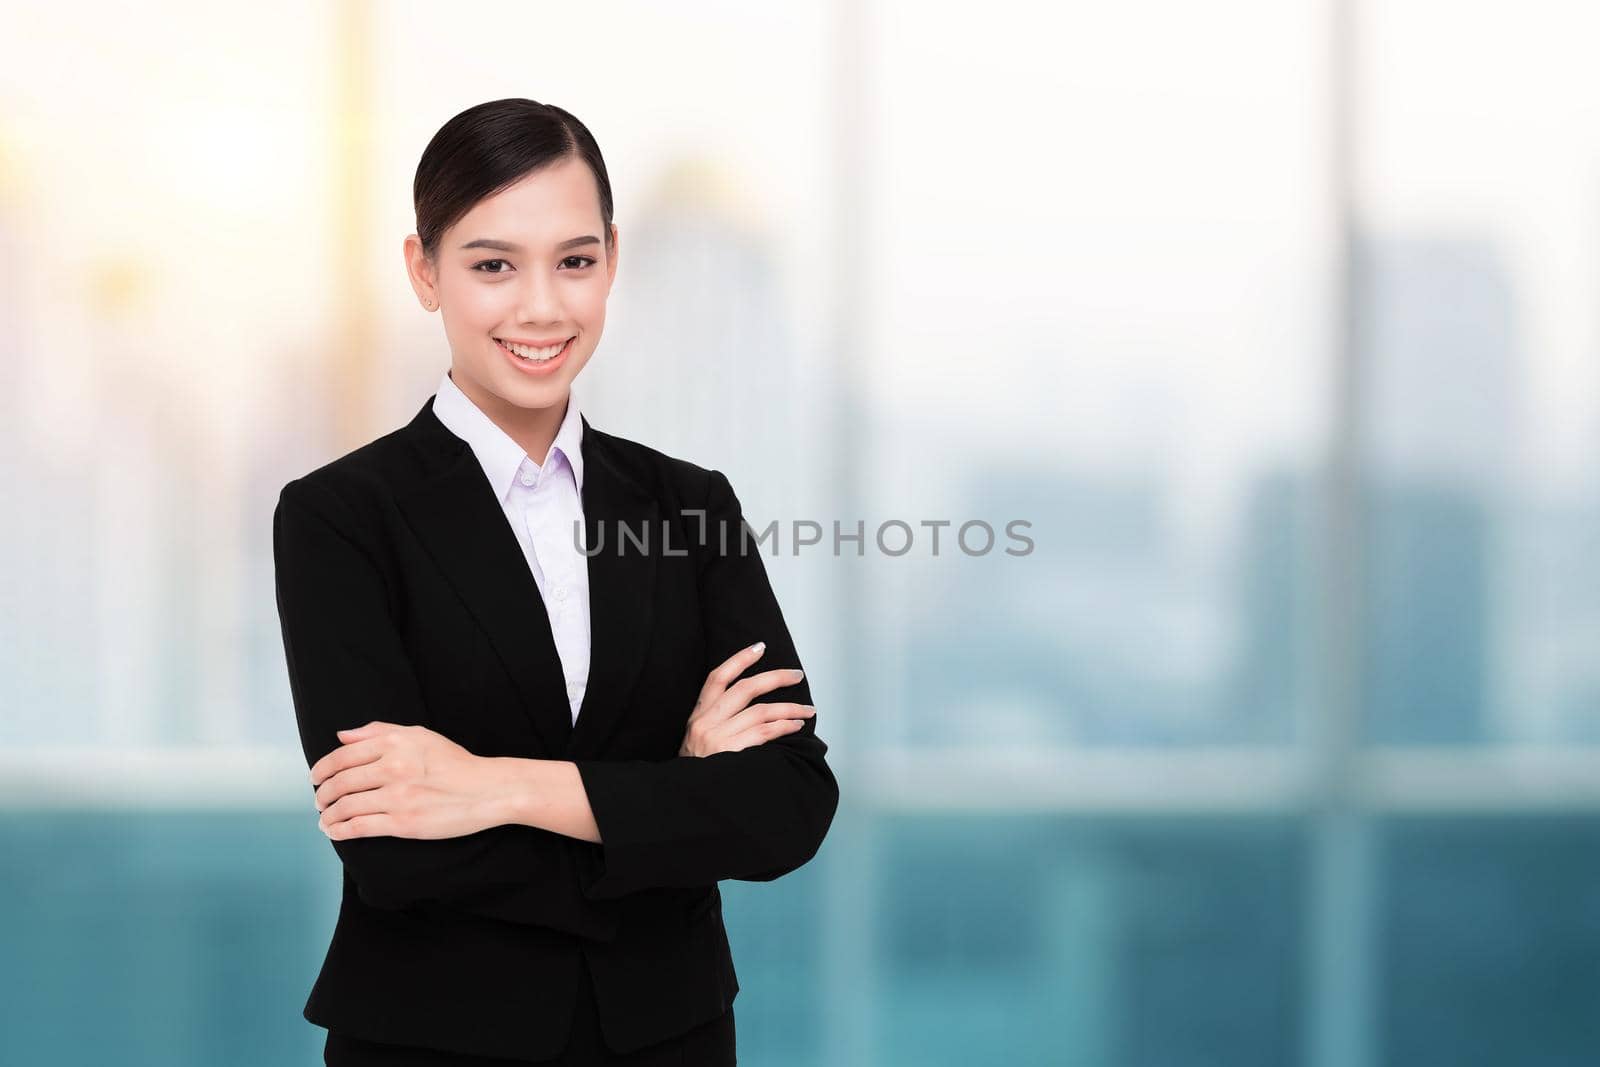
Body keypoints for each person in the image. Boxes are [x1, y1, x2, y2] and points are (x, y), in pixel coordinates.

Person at [272, 98, 839, 1065]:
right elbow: (392, 853)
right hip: (433, 1042)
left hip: (671, 1036)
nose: (542, 306)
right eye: (493, 264)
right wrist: (676, 800)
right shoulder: (340, 516)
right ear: (424, 271)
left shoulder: (687, 504)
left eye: (574, 261)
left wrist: (492, 786)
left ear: (612, 261)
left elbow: (789, 802)